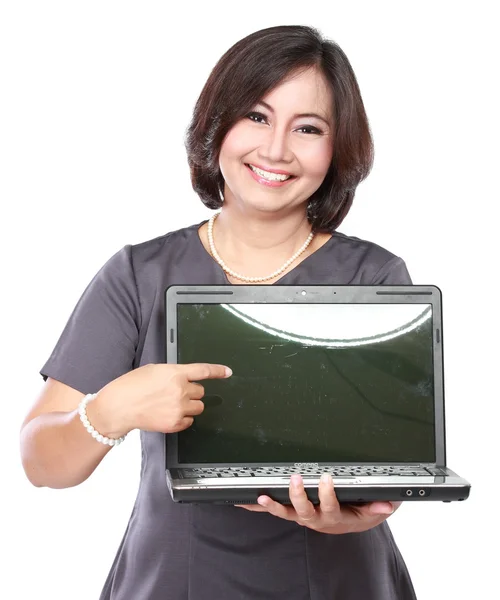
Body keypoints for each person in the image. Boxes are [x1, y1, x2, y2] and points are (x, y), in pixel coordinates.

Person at [20, 24, 417, 600]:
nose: (276, 149)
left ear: (337, 150)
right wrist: (110, 410)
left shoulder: (373, 277)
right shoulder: (139, 274)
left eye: (308, 128)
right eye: (256, 117)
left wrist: (364, 513)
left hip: (336, 582)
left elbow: (394, 469)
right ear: (216, 125)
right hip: (175, 580)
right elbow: (41, 463)